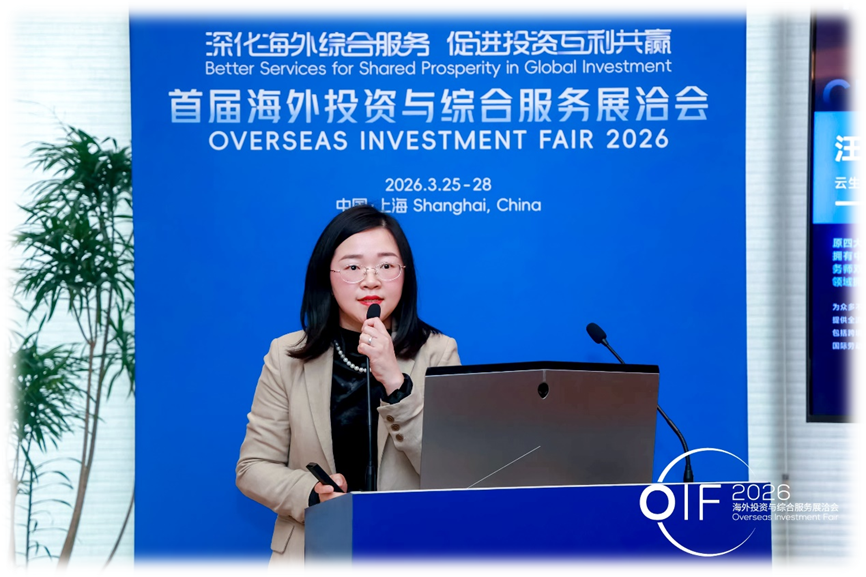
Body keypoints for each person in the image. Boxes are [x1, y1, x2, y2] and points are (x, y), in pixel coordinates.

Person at [235, 205, 461, 574]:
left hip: (406, 554)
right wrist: (311, 493)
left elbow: (453, 471)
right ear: (327, 275)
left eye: (386, 266)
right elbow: (253, 467)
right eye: (353, 267)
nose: (371, 281)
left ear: (405, 274)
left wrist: (395, 381)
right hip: (312, 556)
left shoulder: (437, 352)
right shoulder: (287, 355)